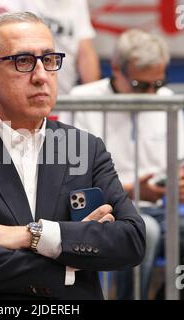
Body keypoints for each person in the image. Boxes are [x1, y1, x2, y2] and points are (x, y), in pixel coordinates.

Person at [0, 12, 145, 300]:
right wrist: (69, 263)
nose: (41, 76)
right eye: (23, 61)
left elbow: (131, 241)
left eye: (49, 60)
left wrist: (32, 235)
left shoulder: (86, 147)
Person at [70, 29, 184, 300]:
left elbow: (179, 160)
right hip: (107, 211)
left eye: (156, 84)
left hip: (163, 208)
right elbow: (74, 179)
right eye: (140, 86)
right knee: (145, 230)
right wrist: (132, 191)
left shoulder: (167, 99)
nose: (150, 94)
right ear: (116, 69)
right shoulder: (81, 100)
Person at [0, 0, 100, 94]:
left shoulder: (76, 2)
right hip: (24, 96)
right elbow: (4, 39)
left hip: (64, 98)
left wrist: (93, 101)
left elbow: (86, 53)